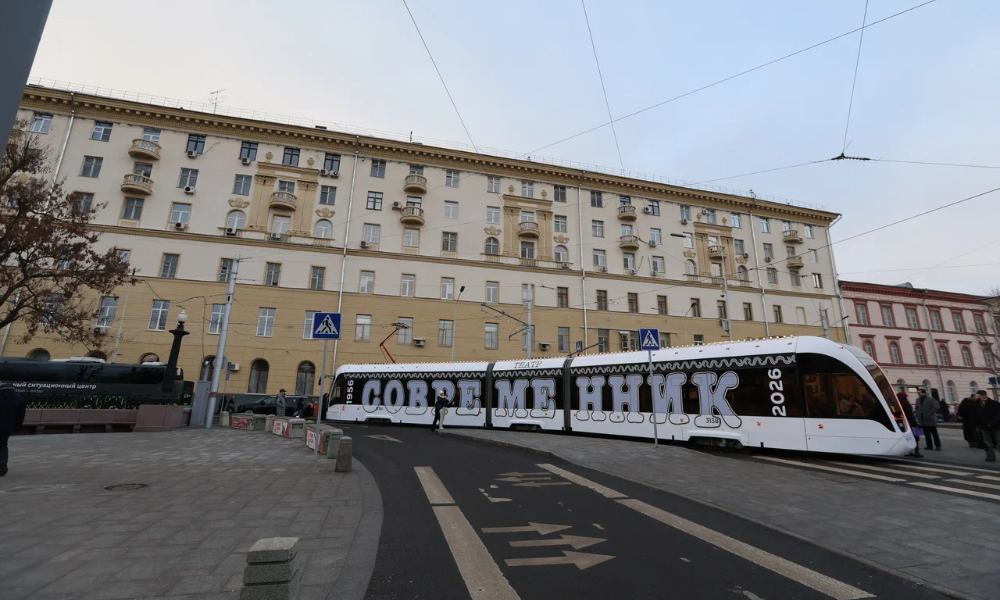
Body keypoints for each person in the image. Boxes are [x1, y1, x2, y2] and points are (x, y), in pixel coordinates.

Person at [0, 384, 27, 477]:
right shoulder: (19, 399)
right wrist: (16, 428)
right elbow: (20, 416)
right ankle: (3, 462)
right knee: (3, 445)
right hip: (7, 427)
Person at [971, 389, 999, 462]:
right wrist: (976, 425)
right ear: (978, 396)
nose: (984, 396)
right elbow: (974, 415)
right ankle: (990, 456)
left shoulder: (994, 403)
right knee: (987, 442)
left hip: (996, 426)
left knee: (999, 441)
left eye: (985, 395)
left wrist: (994, 422)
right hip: (984, 426)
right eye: (982, 395)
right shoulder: (975, 405)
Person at [898, 392, 923, 458]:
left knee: (910, 437)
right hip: (911, 423)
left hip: (907, 423)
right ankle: (915, 451)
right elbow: (911, 415)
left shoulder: (901, 405)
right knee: (915, 437)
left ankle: (912, 451)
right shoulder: (906, 404)